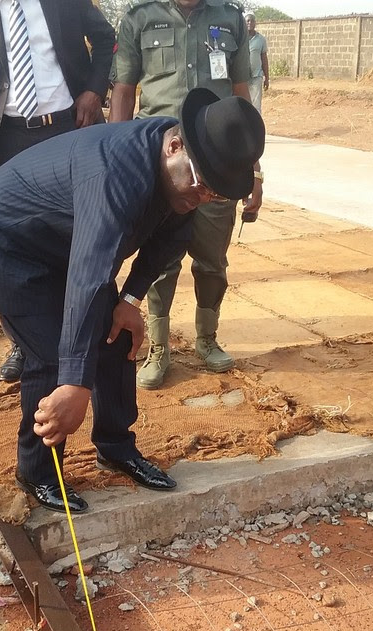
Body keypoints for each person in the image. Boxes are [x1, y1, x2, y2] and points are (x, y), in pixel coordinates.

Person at [0, 89, 266, 513]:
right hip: (9, 238)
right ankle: (39, 472)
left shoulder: (186, 177)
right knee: (51, 355)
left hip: (63, 238)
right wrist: (75, 384)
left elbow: (170, 239)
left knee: (117, 335)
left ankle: (116, 447)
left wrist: (129, 300)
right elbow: (88, 273)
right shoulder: (115, 173)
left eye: (215, 193)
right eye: (201, 184)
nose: (202, 197)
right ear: (175, 146)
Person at [0, 0, 115, 383]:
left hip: (67, 129)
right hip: (2, 139)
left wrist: (93, 90)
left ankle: (86, 332)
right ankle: (24, 341)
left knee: (80, 235)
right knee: (4, 248)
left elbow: (105, 37)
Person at [110, 0, 264, 390]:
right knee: (159, 261)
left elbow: (241, 96)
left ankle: (207, 339)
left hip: (217, 163)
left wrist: (252, 167)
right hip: (162, 164)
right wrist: (115, 159)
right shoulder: (140, 18)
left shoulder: (230, 18)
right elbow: (124, 91)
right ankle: (158, 347)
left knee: (212, 260)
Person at [245, 11, 268, 112]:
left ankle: (256, 122)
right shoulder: (239, 38)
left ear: (255, 23)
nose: (250, 23)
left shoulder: (261, 39)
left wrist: (267, 78)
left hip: (256, 76)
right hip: (242, 77)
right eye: (247, 21)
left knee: (256, 105)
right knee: (244, 103)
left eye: (252, 21)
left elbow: (264, 59)